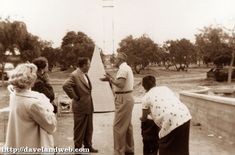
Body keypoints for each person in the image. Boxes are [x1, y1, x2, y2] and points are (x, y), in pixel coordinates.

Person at [5, 63, 57, 151]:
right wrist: (48, 105)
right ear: (31, 79)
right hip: (34, 147)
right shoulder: (33, 103)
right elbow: (51, 126)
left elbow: (18, 91)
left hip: (20, 144)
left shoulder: (14, 96)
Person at [140, 75, 192, 155]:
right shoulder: (165, 88)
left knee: (165, 148)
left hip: (170, 120)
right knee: (181, 147)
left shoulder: (146, 98)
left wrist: (142, 118)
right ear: (154, 83)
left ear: (144, 87)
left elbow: (144, 117)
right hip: (185, 115)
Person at [101, 52, 135, 155]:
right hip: (127, 97)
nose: (114, 61)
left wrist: (110, 79)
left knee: (118, 127)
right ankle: (129, 149)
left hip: (123, 98)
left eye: (115, 59)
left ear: (120, 60)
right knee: (127, 125)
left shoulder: (123, 69)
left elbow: (120, 84)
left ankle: (119, 152)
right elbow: (121, 82)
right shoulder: (126, 68)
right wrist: (111, 78)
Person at [62, 57, 98, 153]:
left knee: (89, 128)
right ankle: (77, 149)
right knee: (79, 129)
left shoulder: (85, 74)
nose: (90, 65)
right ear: (84, 65)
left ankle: (88, 146)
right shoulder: (75, 75)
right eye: (89, 64)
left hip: (88, 106)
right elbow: (65, 85)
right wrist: (75, 97)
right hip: (80, 106)